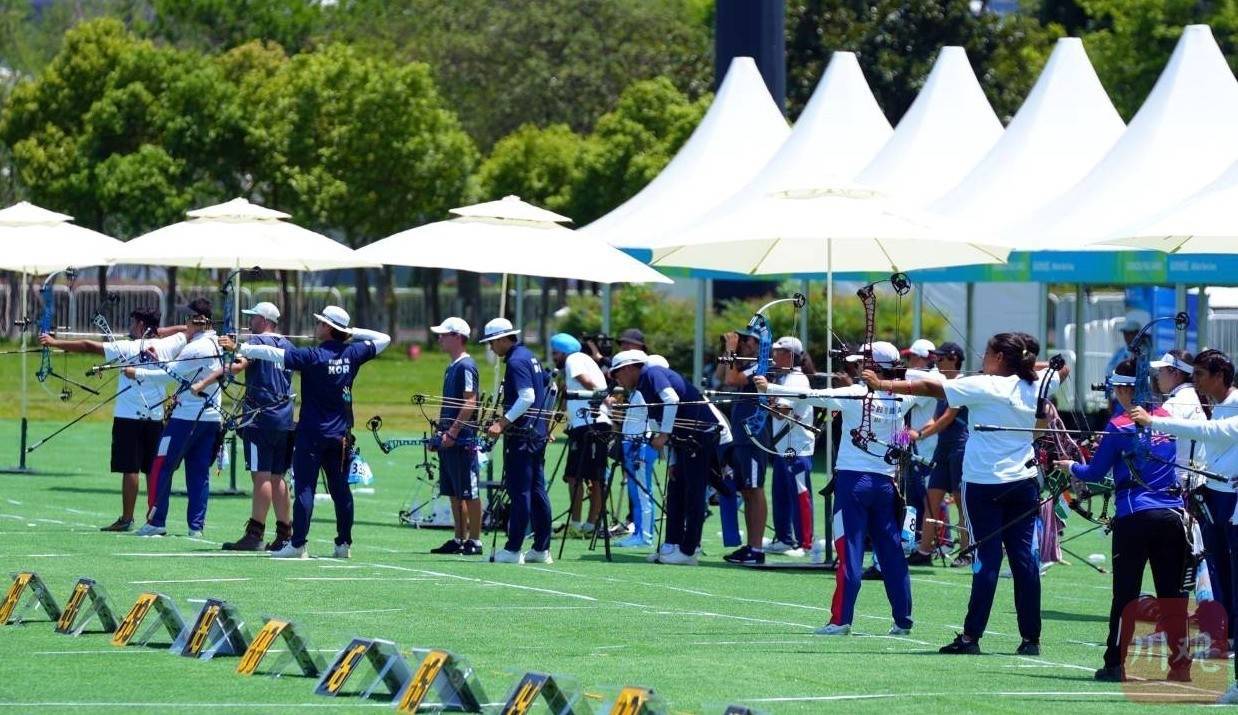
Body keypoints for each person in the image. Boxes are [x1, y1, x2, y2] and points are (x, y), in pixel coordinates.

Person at [866, 332, 1068, 656]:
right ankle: (1031, 639)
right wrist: (1031, 364)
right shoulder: (1036, 384)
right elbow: (1062, 369)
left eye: (987, 353)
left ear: (999, 357)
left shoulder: (984, 385)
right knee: (1023, 561)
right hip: (1023, 483)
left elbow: (930, 387)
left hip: (984, 486)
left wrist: (881, 384)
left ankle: (972, 638)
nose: (982, 358)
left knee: (987, 561)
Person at [758, 341, 934, 636]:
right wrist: (894, 376)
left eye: (863, 362)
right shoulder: (902, 396)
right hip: (885, 486)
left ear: (872, 366)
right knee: (891, 554)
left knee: (849, 552)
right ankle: (903, 621)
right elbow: (932, 380)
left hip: (853, 485)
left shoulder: (854, 394)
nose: (857, 367)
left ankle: (840, 621)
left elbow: (810, 395)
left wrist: (768, 388)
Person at [221, 305, 390, 559]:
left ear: (328, 328)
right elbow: (384, 339)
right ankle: (343, 544)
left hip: (311, 434)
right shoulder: (353, 352)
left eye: (321, 322)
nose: (317, 325)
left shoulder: (313, 356)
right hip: (340, 434)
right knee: (340, 490)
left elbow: (273, 354)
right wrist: (351, 332)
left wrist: (240, 347)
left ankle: (298, 544)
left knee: (304, 488)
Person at [1059, 360, 1189, 682]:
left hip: (1134, 518)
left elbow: (1094, 474)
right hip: (1172, 516)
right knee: (1172, 596)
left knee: (1126, 596)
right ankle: (1180, 667)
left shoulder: (1118, 426)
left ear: (1123, 389)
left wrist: (1070, 466)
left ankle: (1115, 665)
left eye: (1116, 388)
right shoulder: (1166, 419)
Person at [38, 307, 186, 532]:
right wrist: (157, 331)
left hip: (129, 418)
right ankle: (154, 520)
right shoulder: (170, 344)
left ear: (140, 325)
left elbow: (88, 346)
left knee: (131, 469)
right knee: (151, 470)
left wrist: (54, 342)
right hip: (155, 418)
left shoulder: (126, 347)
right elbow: (186, 329)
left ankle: (127, 519)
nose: (130, 327)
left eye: (133, 323)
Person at [611, 349, 722, 565]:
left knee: (694, 495)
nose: (617, 380)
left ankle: (689, 551)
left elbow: (672, 399)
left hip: (700, 436)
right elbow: (656, 419)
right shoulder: (643, 384)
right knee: (675, 492)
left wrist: (663, 435)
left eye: (617, 374)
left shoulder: (652, 373)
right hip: (683, 441)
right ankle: (672, 545)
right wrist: (671, 461)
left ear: (629, 368)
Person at [128, 299, 224, 538]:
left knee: (161, 466)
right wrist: (157, 362)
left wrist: (136, 372)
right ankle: (196, 527)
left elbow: (167, 376)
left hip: (186, 419)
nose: (185, 323)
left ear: (198, 320)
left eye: (189, 318)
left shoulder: (196, 347)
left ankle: (156, 521)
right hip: (210, 419)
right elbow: (179, 371)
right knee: (198, 472)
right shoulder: (217, 343)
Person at [219, 302, 296, 552]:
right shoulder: (288, 345)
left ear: (264, 320)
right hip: (284, 419)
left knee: (261, 475)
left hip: (259, 418)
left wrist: (221, 363)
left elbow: (238, 366)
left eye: (253, 317)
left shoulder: (255, 343)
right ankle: (285, 534)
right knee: (277, 476)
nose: (250, 322)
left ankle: (255, 533)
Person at [481, 318, 553, 565]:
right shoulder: (529, 356)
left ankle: (513, 549)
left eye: (492, 342)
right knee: (537, 490)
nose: (491, 347)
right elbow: (548, 387)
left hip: (522, 436)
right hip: (536, 434)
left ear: (503, 339)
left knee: (519, 491)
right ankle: (541, 549)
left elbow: (527, 397)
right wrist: (544, 423)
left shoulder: (516, 361)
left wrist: (501, 423)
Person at [907, 342, 970, 566]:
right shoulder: (945, 387)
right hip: (942, 449)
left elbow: (947, 419)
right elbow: (934, 418)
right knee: (931, 500)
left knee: (961, 504)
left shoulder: (962, 385)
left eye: (941, 358)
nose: (937, 362)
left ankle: (967, 552)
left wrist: (920, 435)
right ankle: (924, 552)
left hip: (959, 449)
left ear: (954, 359)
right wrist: (913, 434)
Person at [427, 317, 483, 557]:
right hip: (449, 438)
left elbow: (470, 402)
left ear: (457, 337)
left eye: (444, 335)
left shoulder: (466, 366)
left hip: (462, 440)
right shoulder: (452, 366)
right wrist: (440, 434)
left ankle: (475, 540)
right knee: (453, 491)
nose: (439, 338)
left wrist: (453, 432)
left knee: (469, 491)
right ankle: (459, 538)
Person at [714, 327, 767, 559]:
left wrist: (731, 350)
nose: (742, 343)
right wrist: (728, 352)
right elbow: (720, 375)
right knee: (746, 490)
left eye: (746, 340)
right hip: (742, 436)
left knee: (754, 489)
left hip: (754, 435)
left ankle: (757, 548)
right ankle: (751, 546)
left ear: (758, 344)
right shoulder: (744, 364)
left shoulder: (761, 366)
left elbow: (730, 379)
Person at [553, 333, 611, 538]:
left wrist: (605, 399)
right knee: (578, 476)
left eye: (555, 353)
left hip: (591, 424)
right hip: (584, 424)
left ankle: (583, 524)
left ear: (564, 352)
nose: (554, 357)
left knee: (588, 477)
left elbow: (585, 380)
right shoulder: (582, 360)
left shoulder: (574, 359)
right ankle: (583, 523)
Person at [766, 337, 815, 561]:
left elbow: (781, 413)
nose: (774, 355)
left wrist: (764, 395)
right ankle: (784, 538)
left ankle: (806, 543)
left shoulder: (796, 380)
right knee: (781, 495)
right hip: (783, 447)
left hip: (797, 447)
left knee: (800, 495)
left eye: (778, 351)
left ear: (789, 355)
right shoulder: (784, 378)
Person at [901, 338, 942, 547]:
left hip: (926, 447)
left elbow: (902, 403)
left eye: (911, 357)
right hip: (916, 445)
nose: (908, 361)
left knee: (930, 498)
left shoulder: (929, 380)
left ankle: (938, 541)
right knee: (913, 497)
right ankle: (911, 539)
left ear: (921, 358)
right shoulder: (925, 377)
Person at [1152, 350, 1207, 485]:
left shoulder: (1174, 404)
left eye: (1161, 371)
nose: (1157, 376)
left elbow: (1157, 447)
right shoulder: (1193, 396)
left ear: (1175, 373)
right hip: (1196, 481)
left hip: (1179, 483)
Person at [1105, 310, 1149, 415]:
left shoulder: (1148, 352)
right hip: (1120, 399)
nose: (1126, 336)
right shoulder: (1120, 352)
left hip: (1141, 399)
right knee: (1118, 422)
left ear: (1138, 334)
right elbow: (1109, 373)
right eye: (1125, 333)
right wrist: (1109, 399)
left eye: (1130, 333)